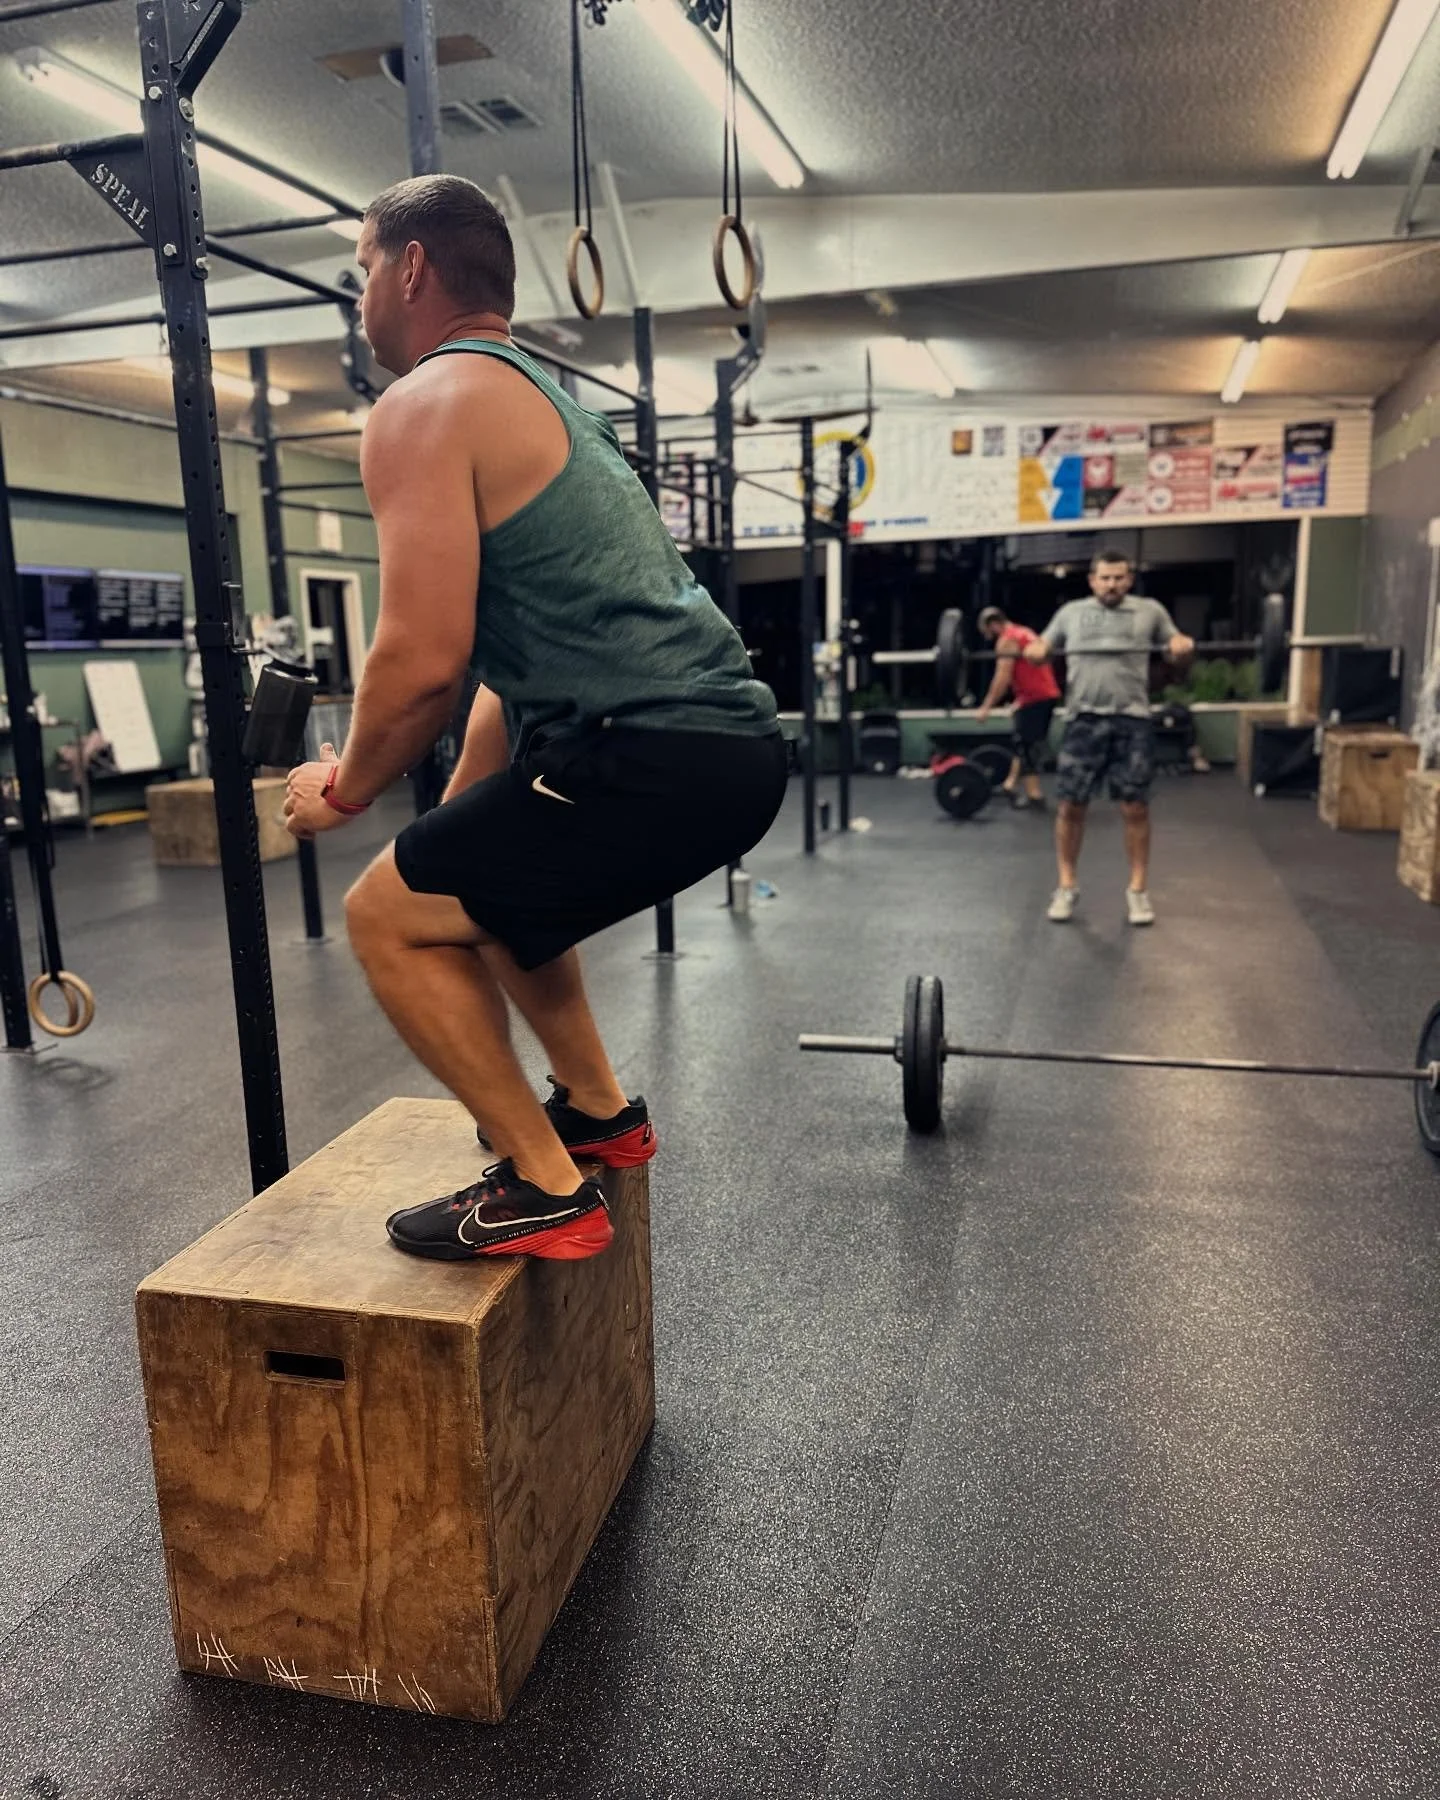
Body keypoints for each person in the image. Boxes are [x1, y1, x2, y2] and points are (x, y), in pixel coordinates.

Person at [282, 175, 786, 1262]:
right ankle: (599, 1112)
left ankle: (544, 1183)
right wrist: (459, 824)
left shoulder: (423, 403)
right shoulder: (552, 402)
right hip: (718, 749)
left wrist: (350, 790)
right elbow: (510, 673)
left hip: (650, 751)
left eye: (363, 266)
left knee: (383, 917)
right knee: (486, 889)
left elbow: (421, 662)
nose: (360, 293)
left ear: (411, 267)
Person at [1023, 549, 1193, 926]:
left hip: (1131, 720)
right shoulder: (1071, 613)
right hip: (1083, 720)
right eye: (1105, 578)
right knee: (1071, 805)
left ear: (1129, 580)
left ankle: (1138, 891)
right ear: (1092, 580)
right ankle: (1066, 887)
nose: (1112, 584)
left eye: (1119, 578)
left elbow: (1176, 651)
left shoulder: (1150, 611)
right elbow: (1043, 646)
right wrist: (1034, 651)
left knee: (1135, 807)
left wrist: (1182, 648)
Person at [972, 604, 1061, 808]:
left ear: (993, 625)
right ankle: (1010, 785)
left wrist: (986, 707)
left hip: (1034, 698)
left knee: (1027, 746)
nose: (988, 636)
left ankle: (1034, 795)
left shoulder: (1007, 640)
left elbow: (1002, 678)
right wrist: (1018, 701)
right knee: (1026, 742)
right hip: (1045, 695)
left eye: (987, 632)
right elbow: (1029, 671)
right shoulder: (1024, 632)